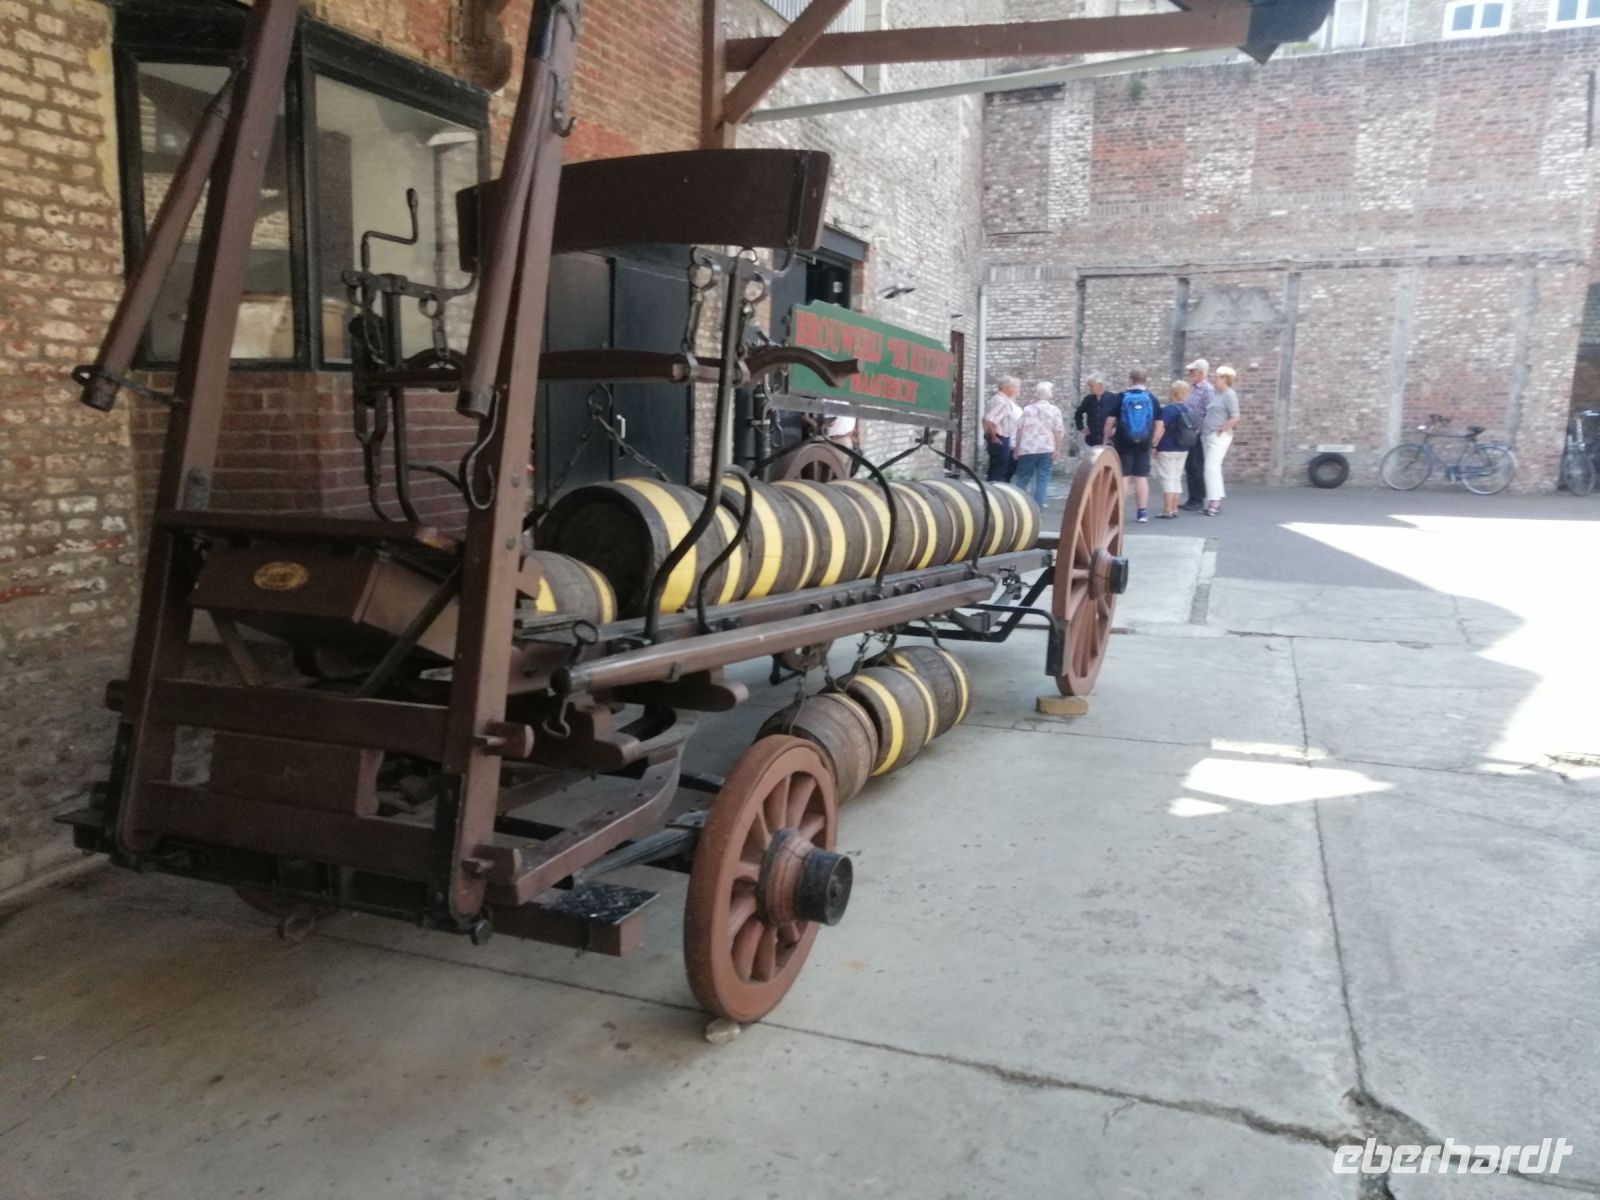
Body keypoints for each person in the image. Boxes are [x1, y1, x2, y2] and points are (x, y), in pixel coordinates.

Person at [1102, 368, 1158, 522]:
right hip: (1144, 442)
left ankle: (1119, 512)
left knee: (1124, 476)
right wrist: (1154, 443)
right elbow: (1159, 424)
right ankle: (1142, 513)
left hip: (1124, 441)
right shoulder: (1151, 398)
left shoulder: (1121, 397)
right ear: (1145, 380)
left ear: (1130, 379)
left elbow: (1109, 421)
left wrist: (1105, 439)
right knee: (1141, 477)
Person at [1012, 381, 1066, 508]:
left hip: (1028, 449)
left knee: (1023, 478)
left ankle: (1018, 504)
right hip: (1047, 448)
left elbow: (1020, 430)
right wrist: (1058, 449)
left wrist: (1017, 448)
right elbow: (1057, 431)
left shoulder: (1027, 409)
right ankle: (1038, 505)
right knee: (1043, 479)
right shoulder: (1054, 410)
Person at [1202, 365, 1241, 515]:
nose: (1214, 379)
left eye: (1217, 377)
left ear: (1225, 379)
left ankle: (1215, 502)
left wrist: (1221, 429)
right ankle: (1214, 499)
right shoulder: (1218, 394)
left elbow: (1235, 416)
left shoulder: (1229, 395)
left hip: (1219, 436)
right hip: (1208, 435)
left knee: (1211, 468)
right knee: (1212, 469)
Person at [1152, 380, 1192, 519]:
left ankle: (1167, 510)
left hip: (1167, 447)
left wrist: (1154, 444)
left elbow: (1161, 428)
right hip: (1183, 448)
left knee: (1167, 478)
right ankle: (1174, 508)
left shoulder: (1169, 410)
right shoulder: (1187, 409)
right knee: (1176, 478)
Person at [1180, 357, 1214, 511]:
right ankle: (1192, 498)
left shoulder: (1208, 390)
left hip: (1197, 433)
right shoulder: (1192, 388)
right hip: (1189, 431)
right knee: (1190, 465)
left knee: (1196, 465)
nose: (1189, 373)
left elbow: (1210, 412)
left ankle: (1198, 499)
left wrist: (1200, 430)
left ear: (1201, 373)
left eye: (1192, 371)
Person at [983, 375, 1022, 482]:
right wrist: (994, 437)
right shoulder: (1002, 402)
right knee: (1000, 470)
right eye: (1015, 387)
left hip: (996, 438)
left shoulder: (995, 399)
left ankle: (992, 491)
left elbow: (984, 419)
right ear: (1008, 388)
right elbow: (989, 419)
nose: (1016, 390)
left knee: (996, 468)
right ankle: (996, 493)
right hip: (1000, 438)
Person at [1074, 374, 1118, 458]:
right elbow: (1078, 414)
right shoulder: (1088, 400)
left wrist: (1116, 428)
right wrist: (1081, 427)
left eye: (1092, 386)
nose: (1090, 388)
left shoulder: (1114, 399)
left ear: (1100, 385)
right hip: (1091, 441)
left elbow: (1121, 415)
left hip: (1109, 442)